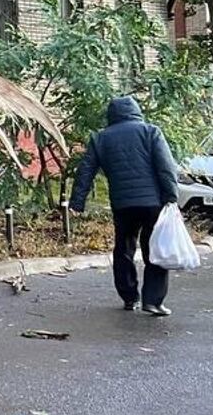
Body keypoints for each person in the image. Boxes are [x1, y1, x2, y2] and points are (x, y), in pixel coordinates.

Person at [69, 96, 180, 316]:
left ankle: (129, 297)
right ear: (136, 111)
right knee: (155, 250)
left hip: (123, 204)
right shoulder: (150, 132)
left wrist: (77, 202)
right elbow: (166, 167)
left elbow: (85, 171)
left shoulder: (100, 138)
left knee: (124, 249)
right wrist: (172, 197)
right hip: (152, 203)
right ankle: (153, 301)